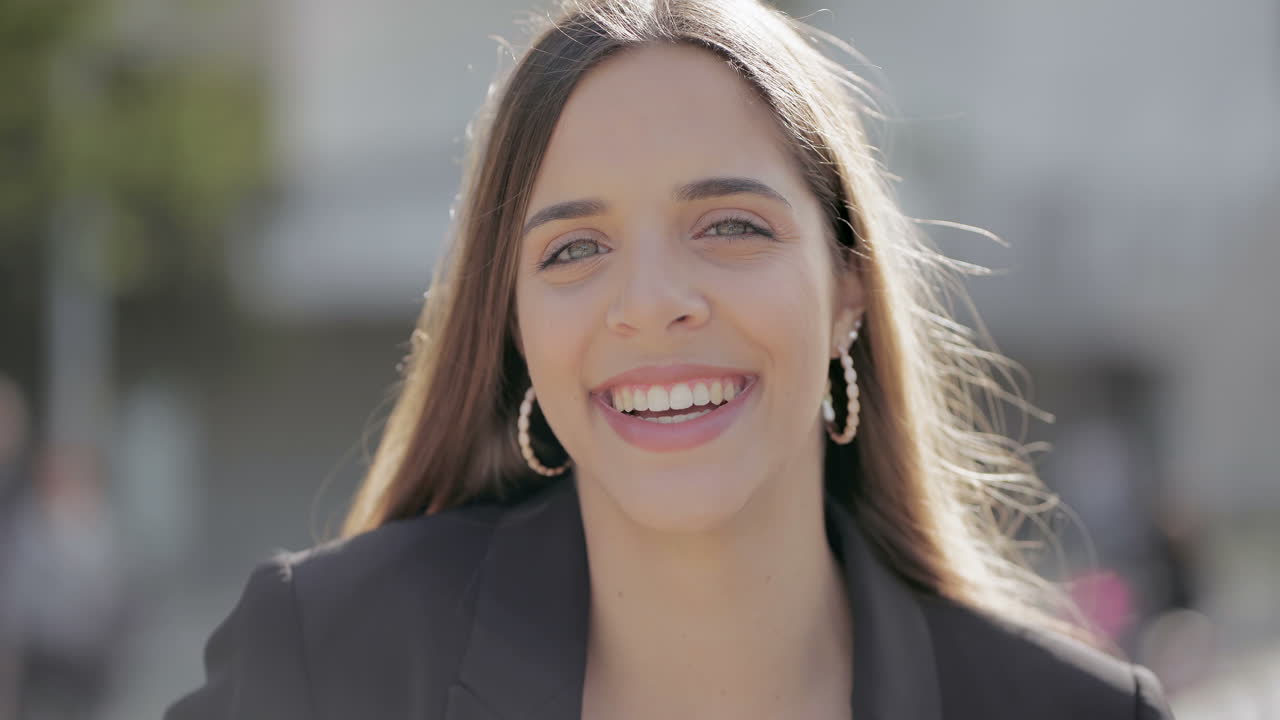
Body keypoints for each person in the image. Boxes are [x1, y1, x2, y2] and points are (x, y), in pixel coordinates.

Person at [167, 1, 1174, 718]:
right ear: (514, 327)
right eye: (572, 249)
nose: (650, 304)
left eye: (729, 226)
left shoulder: (1068, 712)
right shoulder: (327, 658)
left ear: (846, 291)